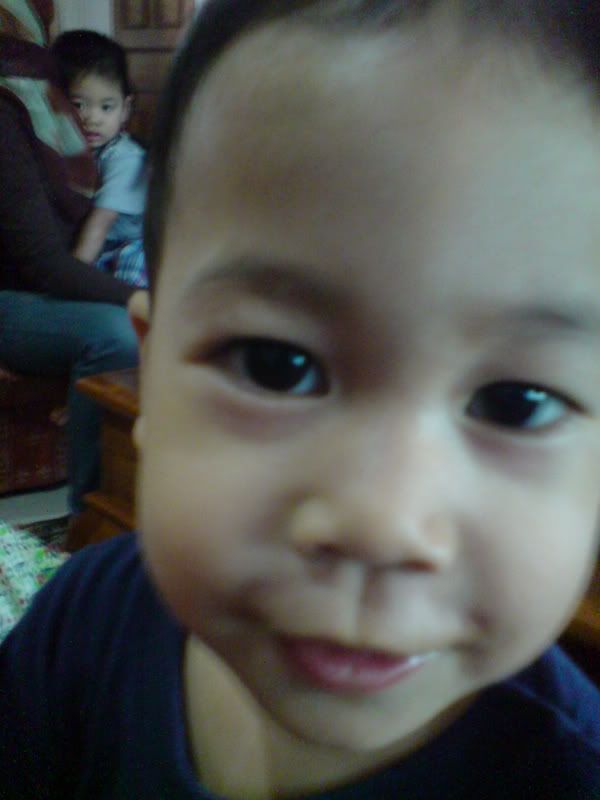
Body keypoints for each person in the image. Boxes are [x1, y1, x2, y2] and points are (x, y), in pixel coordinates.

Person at [2, 0, 600, 797]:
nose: (380, 524)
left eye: (518, 403)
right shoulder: (85, 620)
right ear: (154, 375)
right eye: (276, 366)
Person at [0, 0, 140, 515]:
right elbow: (45, 265)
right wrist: (145, 300)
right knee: (118, 331)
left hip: (49, 286)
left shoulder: (52, 112)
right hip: (15, 293)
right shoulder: (7, 113)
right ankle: (92, 515)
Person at [51, 29, 148, 289]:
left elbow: (101, 222)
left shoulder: (125, 158)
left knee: (134, 270)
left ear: (125, 109)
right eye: (79, 104)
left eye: (106, 107)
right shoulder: (73, 149)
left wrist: (71, 280)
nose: (93, 118)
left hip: (133, 243)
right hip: (103, 246)